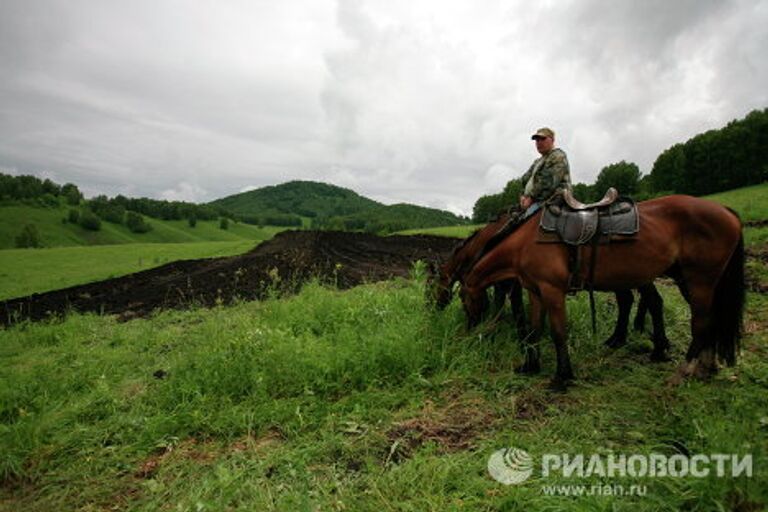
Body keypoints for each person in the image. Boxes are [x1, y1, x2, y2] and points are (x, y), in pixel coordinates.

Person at [518, 127, 572, 216]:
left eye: (542, 139)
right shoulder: (537, 162)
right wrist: (522, 196)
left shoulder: (558, 156)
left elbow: (548, 182)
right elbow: (524, 180)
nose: (539, 143)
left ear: (552, 140)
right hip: (533, 200)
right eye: (537, 140)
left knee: (527, 218)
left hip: (554, 198)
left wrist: (530, 198)